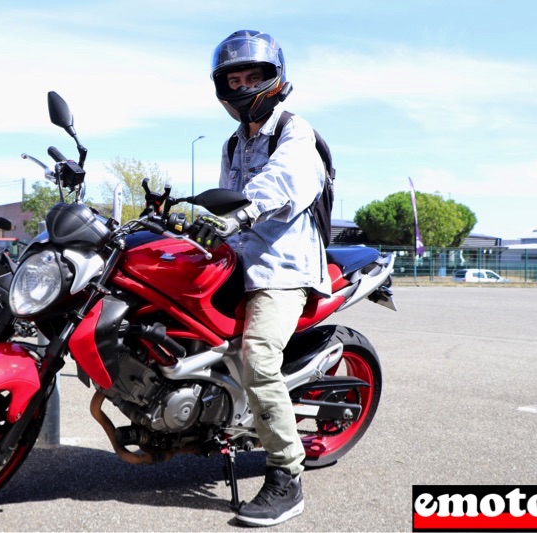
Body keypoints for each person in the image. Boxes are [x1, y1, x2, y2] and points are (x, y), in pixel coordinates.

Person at [190, 30, 331, 527]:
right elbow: (225, 198)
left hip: (282, 267)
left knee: (258, 357)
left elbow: (286, 181)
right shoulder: (233, 143)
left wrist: (243, 212)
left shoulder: (294, 130)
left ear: (274, 79)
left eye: (253, 75)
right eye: (235, 77)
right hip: (238, 259)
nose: (244, 84)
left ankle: (286, 475)